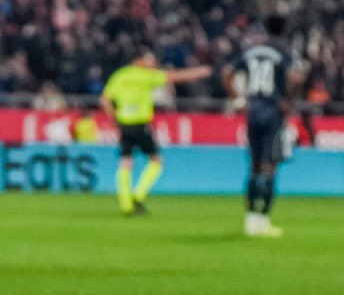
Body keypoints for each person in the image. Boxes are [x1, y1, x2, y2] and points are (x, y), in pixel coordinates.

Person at [100, 51, 211, 215]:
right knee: (156, 161)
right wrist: (200, 72)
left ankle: (125, 203)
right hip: (141, 124)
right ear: (139, 60)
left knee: (125, 162)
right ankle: (138, 194)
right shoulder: (147, 76)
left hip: (124, 124)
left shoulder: (120, 75)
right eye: (148, 60)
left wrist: (114, 120)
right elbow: (175, 77)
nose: (151, 63)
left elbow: (104, 100)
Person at [223, 16, 304, 238]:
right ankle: (263, 221)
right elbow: (296, 78)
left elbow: (227, 72)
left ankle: (250, 220)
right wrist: (289, 101)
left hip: (252, 111)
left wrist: (237, 100)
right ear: (285, 29)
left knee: (254, 166)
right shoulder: (285, 52)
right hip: (272, 112)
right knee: (270, 166)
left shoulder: (251, 50)